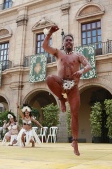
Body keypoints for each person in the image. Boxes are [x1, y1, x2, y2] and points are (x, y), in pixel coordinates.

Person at [42, 25, 91, 156]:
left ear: (73, 43)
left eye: (70, 40)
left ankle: (75, 141)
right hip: (61, 83)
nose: (68, 42)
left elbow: (89, 65)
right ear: (63, 43)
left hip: (74, 87)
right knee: (49, 78)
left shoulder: (78, 55)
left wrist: (81, 70)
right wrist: (49, 33)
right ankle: (62, 99)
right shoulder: (58, 53)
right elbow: (45, 47)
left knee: (75, 114)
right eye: (66, 40)